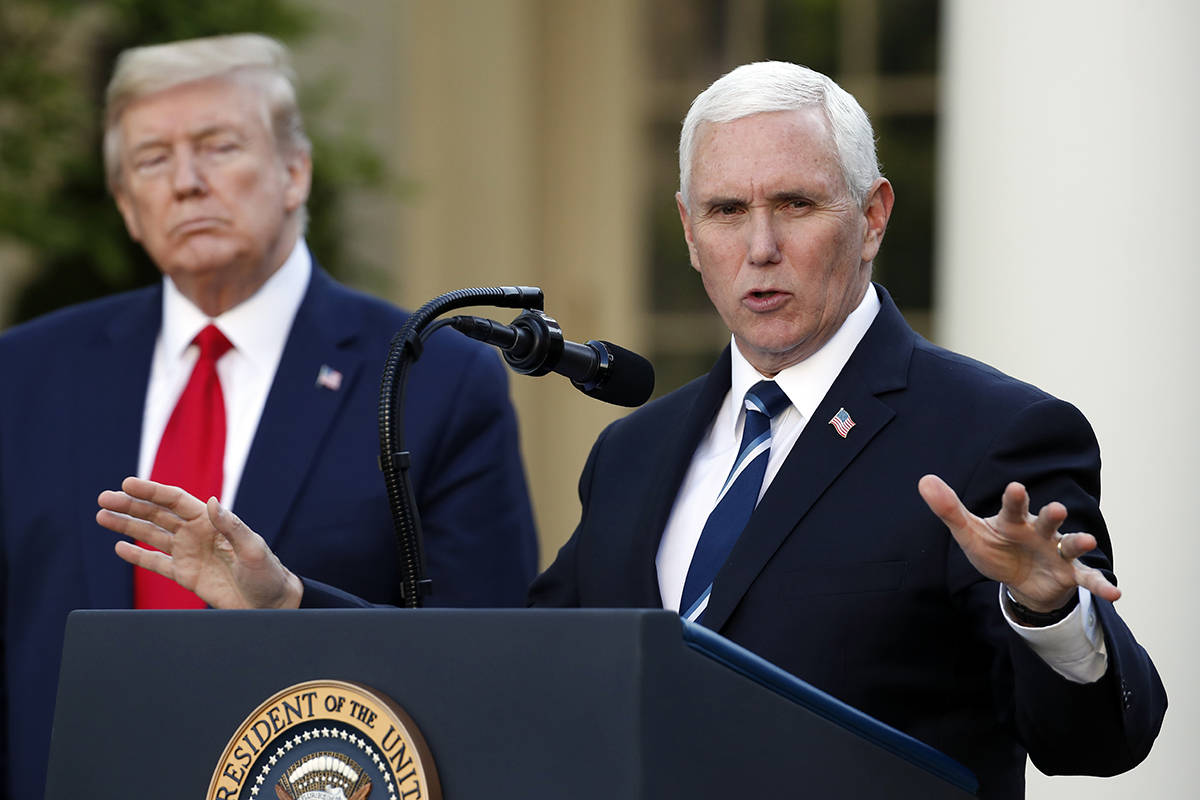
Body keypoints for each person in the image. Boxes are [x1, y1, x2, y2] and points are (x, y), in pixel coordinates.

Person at [96, 62, 1166, 798]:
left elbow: (1102, 742)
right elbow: (510, 671)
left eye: (795, 205)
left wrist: (1048, 609)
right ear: (688, 230)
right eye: (726, 211)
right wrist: (287, 601)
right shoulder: (636, 453)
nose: (758, 247)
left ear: (872, 215)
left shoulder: (993, 434)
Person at [0, 33, 538, 798]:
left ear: (295, 172)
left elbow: (490, 661)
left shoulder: (432, 379)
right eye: (152, 160)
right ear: (126, 206)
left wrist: (294, 605)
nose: (186, 182)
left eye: (219, 147)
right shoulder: (24, 375)